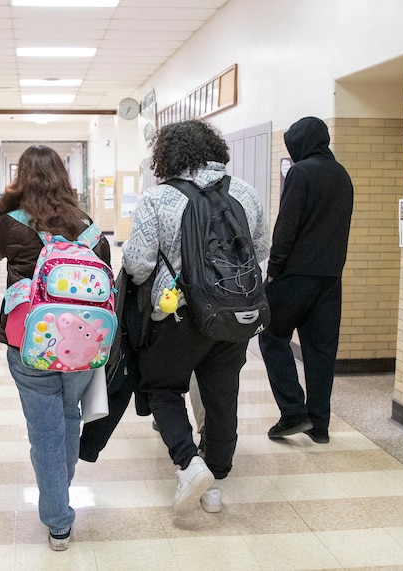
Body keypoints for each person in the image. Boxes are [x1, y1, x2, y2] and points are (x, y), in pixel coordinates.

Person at [0, 145, 111, 551]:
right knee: (68, 418)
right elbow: (107, 280)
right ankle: (58, 492)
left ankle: (58, 518)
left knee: (44, 431)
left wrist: (1, 202)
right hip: (81, 346)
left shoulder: (12, 223)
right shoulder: (87, 226)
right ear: (64, 178)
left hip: (29, 343)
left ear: (22, 179)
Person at [122, 119, 269, 514]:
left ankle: (189, 463)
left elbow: (137, 263)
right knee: (223, 394)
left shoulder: (158, 199)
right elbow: (260, 251)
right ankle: (216, 481)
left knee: (161, 387)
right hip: (234, 316)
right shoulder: (246, 192)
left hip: (178, 315)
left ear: (167, 155)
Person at [258, 116, 354, 445]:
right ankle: (320, 425)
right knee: (320, 351)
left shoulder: (300, 172)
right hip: (330, 279)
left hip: (295, 276)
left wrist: (274, 267)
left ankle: (293, 412)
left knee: (271, 336)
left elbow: (287, 225)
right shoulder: (342, 175)